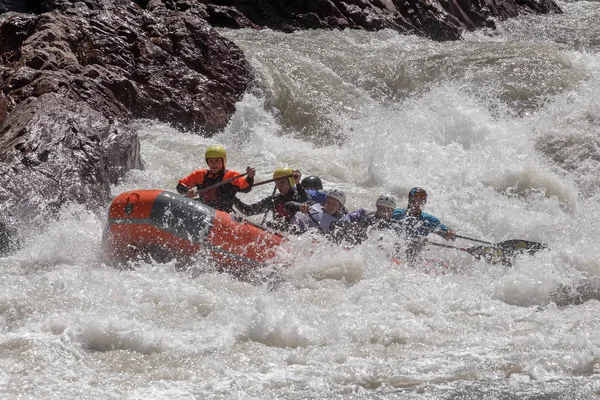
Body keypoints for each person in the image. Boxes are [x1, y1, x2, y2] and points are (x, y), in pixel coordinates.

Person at [176, 145, 256, 213]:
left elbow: (246, 187)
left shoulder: (230, 176)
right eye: (210, 161)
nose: (213, 164)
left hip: (223, 216)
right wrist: (187, 191)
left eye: (217, 160)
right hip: (204, 211)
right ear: (207, 162)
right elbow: (180, 186)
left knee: (246, 209)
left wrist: (250, 177)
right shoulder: (200, 175)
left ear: (223, 161)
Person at [233, 167, 309, 232]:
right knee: (268, 224)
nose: (279, 186)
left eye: (282, 182)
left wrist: (298, 183)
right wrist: (232, 197)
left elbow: (307, 202)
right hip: (278, 233)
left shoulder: (298, 196)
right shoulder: (274, 200)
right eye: (277, 182)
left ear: (291, 182)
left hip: (295, 234)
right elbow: (249, 211)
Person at [392, 187, 456, 262]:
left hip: (414, 254)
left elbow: (449, 234)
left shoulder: (429, 220)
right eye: (415, 200)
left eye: (420, 201)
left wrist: (450, 233)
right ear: (409, 199)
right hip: (395, 251)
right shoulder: (397, 213)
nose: (417, 203)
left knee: (416, 244)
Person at [330, 195, 399, 245]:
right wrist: (351, 226)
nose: (383, 212)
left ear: (392, 211)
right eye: (381, 209)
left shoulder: (395, 226)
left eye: (387, 210)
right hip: (359, 243)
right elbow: (346, 219)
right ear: (377, 207)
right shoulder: (365, 214)